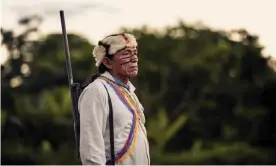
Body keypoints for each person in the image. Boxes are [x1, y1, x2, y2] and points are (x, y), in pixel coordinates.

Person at [78, 33, 150, 165]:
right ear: (107, 62)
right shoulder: (97, 90)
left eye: (135, 53)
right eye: (126, 54)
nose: (134, 59)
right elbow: (91, 148)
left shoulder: (129, 92)